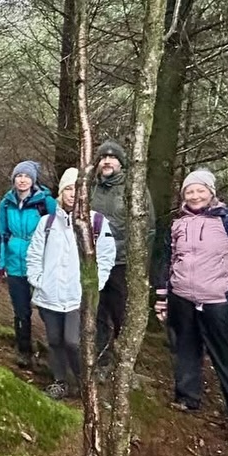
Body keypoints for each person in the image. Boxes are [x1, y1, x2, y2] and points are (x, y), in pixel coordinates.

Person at [154, 169, 228, 438]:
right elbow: (165, 259)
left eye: (200, 190)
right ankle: (187, 397)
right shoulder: (177, 223)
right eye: (189, 191)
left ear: (211, 192)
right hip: (182, 297)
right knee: (185, 348)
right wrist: (162, 296)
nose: (195, 196)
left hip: (219, 299)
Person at [26, 168, 116, 399]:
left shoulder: (96, 222)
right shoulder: (47, 222)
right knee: (54, 340)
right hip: (50, 294)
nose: (73, 193)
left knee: (73, 341)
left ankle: (84, 383)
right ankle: (60, 381)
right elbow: (34, 254)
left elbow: (106, 257)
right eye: (68, 188)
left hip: (78, 296)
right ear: (61, 193)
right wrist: (38, 280)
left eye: (77, 188)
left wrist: (94, 284)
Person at [89, 140, 155, 375]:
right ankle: (100, 359)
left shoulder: (133, 188)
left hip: (121, 262)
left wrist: (141, 263)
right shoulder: (90, 187)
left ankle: (124, 364)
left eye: (112, 158)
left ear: (121, 163)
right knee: (95, 312)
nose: (107, 161)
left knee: (120, 313)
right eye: (103, 158)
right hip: (93, 260)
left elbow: (148, 227)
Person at [0, 160, 56, 368]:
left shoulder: (46, 202)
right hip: (15, 263)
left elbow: (56, 233)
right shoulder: (6, 203)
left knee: (47, 310)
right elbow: (2, 234)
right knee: (21, 311)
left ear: (33, 180)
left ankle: (52, 353)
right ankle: (24, 351)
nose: (22, 180)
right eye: (19, 176)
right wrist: (2, 263)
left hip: (40, 262)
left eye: (27, 176)